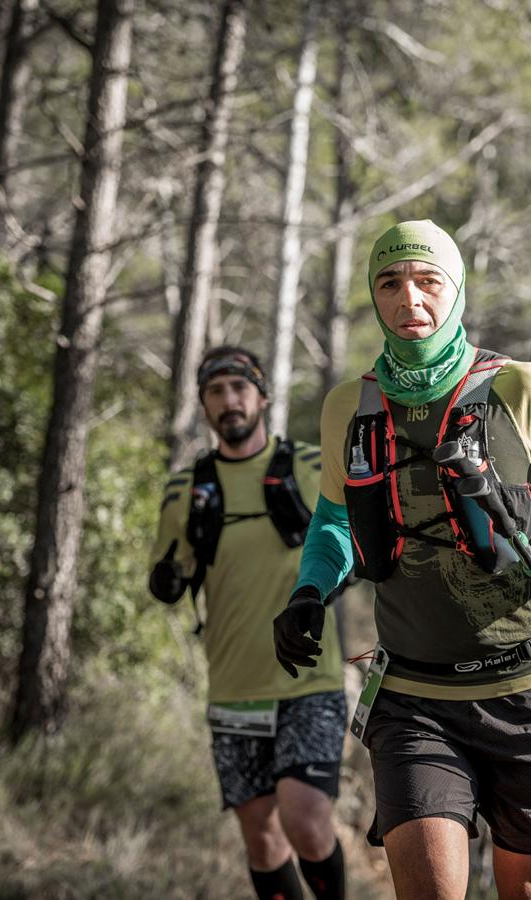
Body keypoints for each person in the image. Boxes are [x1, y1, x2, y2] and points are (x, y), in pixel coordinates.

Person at [272, 219, 531, 899]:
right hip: (416, 699)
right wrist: (308, 592)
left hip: (529, 693)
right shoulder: (346, 408)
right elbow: (332, 522)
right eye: (390, 283)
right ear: (374, 296)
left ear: (456, 291)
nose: (408, 297)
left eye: (426, 281)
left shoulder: (522, 388)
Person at [149, 346, 347, 900]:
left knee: (305, 821)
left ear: (262, 397)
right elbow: (171, 573)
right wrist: (165, 581)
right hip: (233, 687)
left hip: (309, 679)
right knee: (261, 839)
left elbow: (354, 551)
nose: (229, 401)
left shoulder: (309, 466)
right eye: (216, 392)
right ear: (204, 407)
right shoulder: (185, 489)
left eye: (239, 388)